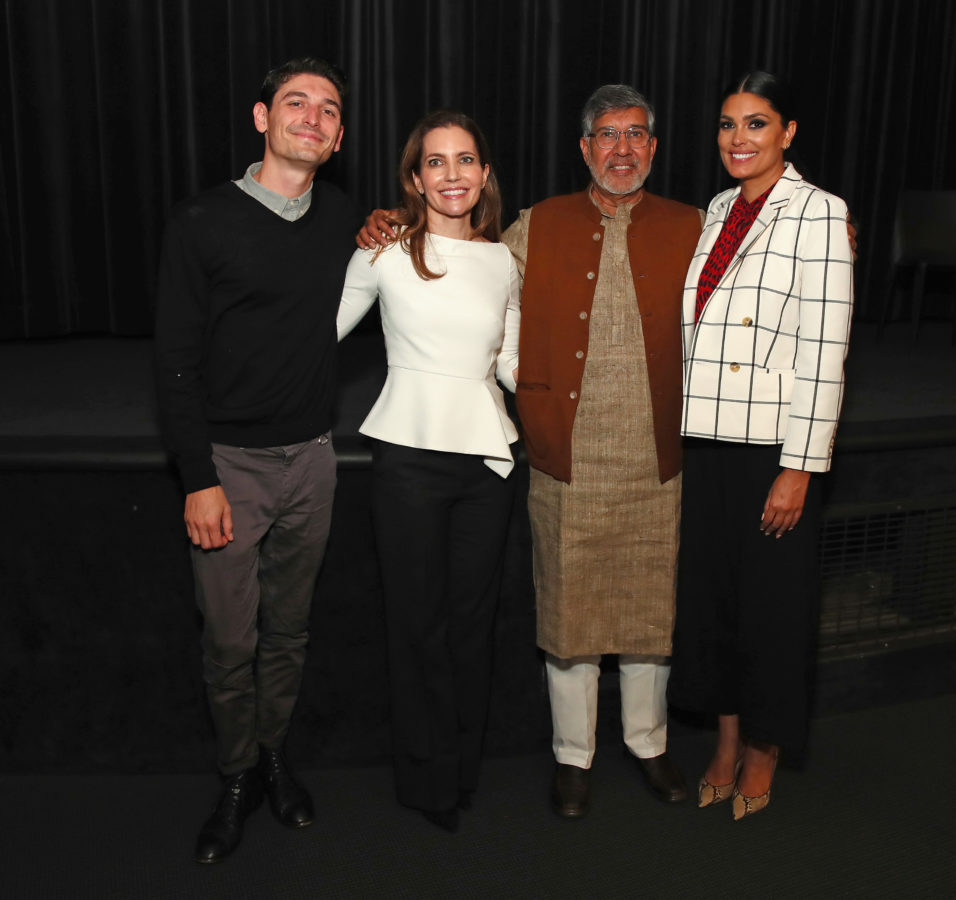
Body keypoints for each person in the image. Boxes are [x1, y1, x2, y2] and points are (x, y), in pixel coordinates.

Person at [359, 84, 702, 818]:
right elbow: (458, 257)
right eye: (606, 135)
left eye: (636, 134)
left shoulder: (692, 226)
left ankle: (647, 741)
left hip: (654, 453)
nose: (622, 149)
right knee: (570, 613)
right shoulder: (535, 226)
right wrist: (385, 225)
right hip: (561, 454)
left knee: (649, 608)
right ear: (584, 148)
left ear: (653, 146)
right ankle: (572, 758)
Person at [155, 57, 359, 862]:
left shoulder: (343, 214)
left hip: (313, 459)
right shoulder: (201, 221)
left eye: (330, 110)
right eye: (297, 103)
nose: (313, 117)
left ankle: (275, 753)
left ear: (340, 137)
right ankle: (236, 772)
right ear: (261, 118)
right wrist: (197, 476)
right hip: (228, 467)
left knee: (290, 631)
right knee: (229, 639)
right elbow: (173, 361)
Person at [674, 71, 855, 820]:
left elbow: (825, 350)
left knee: (771, 610)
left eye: (756, 123)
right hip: (704, 440)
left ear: (788, 133)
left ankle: (765, 748)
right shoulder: (717, 208)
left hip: (772, 450)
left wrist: (800, 468)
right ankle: (724, 738)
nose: (738, 138)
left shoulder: (820, 214)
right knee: (712, 603)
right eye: (726, 124)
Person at [337, 110, 520, 833]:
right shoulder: (384, 251)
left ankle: (463, 767)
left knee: (473, 624)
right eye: (436, 162)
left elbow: (509, 361)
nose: (453, 174)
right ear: (415, 178)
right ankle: (426, 779)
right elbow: (317, 330)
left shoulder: (504, 260)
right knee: (417, 623)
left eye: (465, 160)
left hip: (487, 461)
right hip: (408, 455)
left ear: (483, 174)